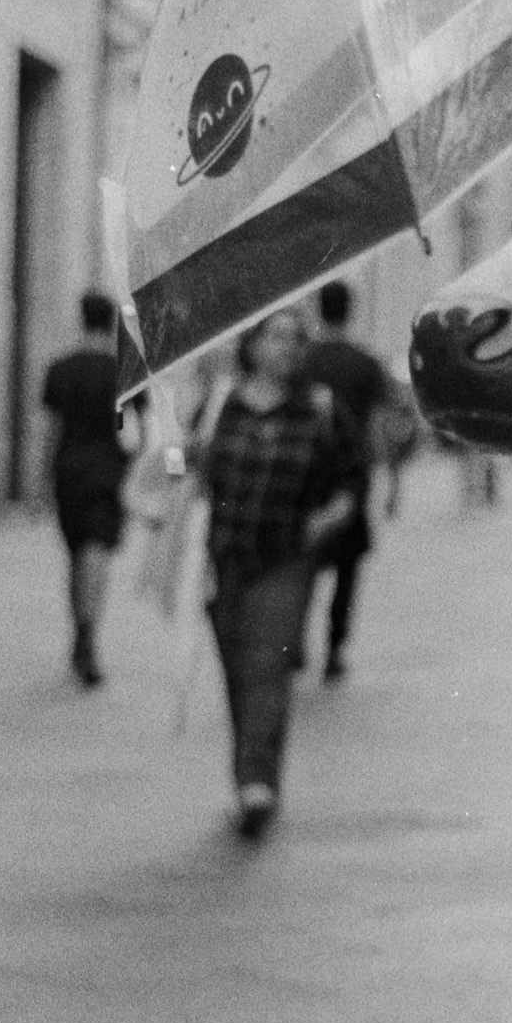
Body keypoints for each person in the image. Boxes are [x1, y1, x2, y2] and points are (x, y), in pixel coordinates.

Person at [197, 307, 356, 838]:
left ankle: (256, 784)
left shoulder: (319, 408)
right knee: (236, 668)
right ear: (251, 343)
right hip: (224, 556)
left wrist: (326, 519)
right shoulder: (220, 402)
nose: (283, 348)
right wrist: (181, 455)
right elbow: (188, 475)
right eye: (273, 337)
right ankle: (250, 772)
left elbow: (349, 484)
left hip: (287, 558)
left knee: (269, 662)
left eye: (293, 339)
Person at [40, 292, 139, 687]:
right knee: (97, 552)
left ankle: (80, 632)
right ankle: (88, 634)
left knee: (77, 554)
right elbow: (138, 431)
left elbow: (50, 431)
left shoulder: (59, 369)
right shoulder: (124, 371)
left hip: (69, 471)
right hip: (109, 472)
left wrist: (43, 477)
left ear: (81, 319)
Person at [296, 280, 390, 679]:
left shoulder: (303, 361)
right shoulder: (367, 364)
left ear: (319, 309)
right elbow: (378, 427)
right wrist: (389, 479)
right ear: (350, 311)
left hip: (307, 472)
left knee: (306, 560)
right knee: (348, 569)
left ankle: (295, 641)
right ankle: (335, 649)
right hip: (352, 476)